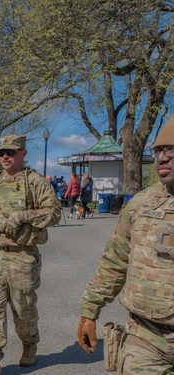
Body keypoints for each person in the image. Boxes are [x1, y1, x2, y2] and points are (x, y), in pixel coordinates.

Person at [77, 116, 174, 373]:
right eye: (158, 151)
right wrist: (90, 309)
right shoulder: (141, 205)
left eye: (171, 150)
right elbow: (115, 260)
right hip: (145, 337)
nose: (162, 158)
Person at [0, 134, 61, 375]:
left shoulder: (35, 182)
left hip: (22, 257)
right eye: (1, 153)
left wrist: (23, 216)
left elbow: (53, 213)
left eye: (11, 152)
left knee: (23, 309)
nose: (5, 157)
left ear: (23, 152)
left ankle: (29, 344)